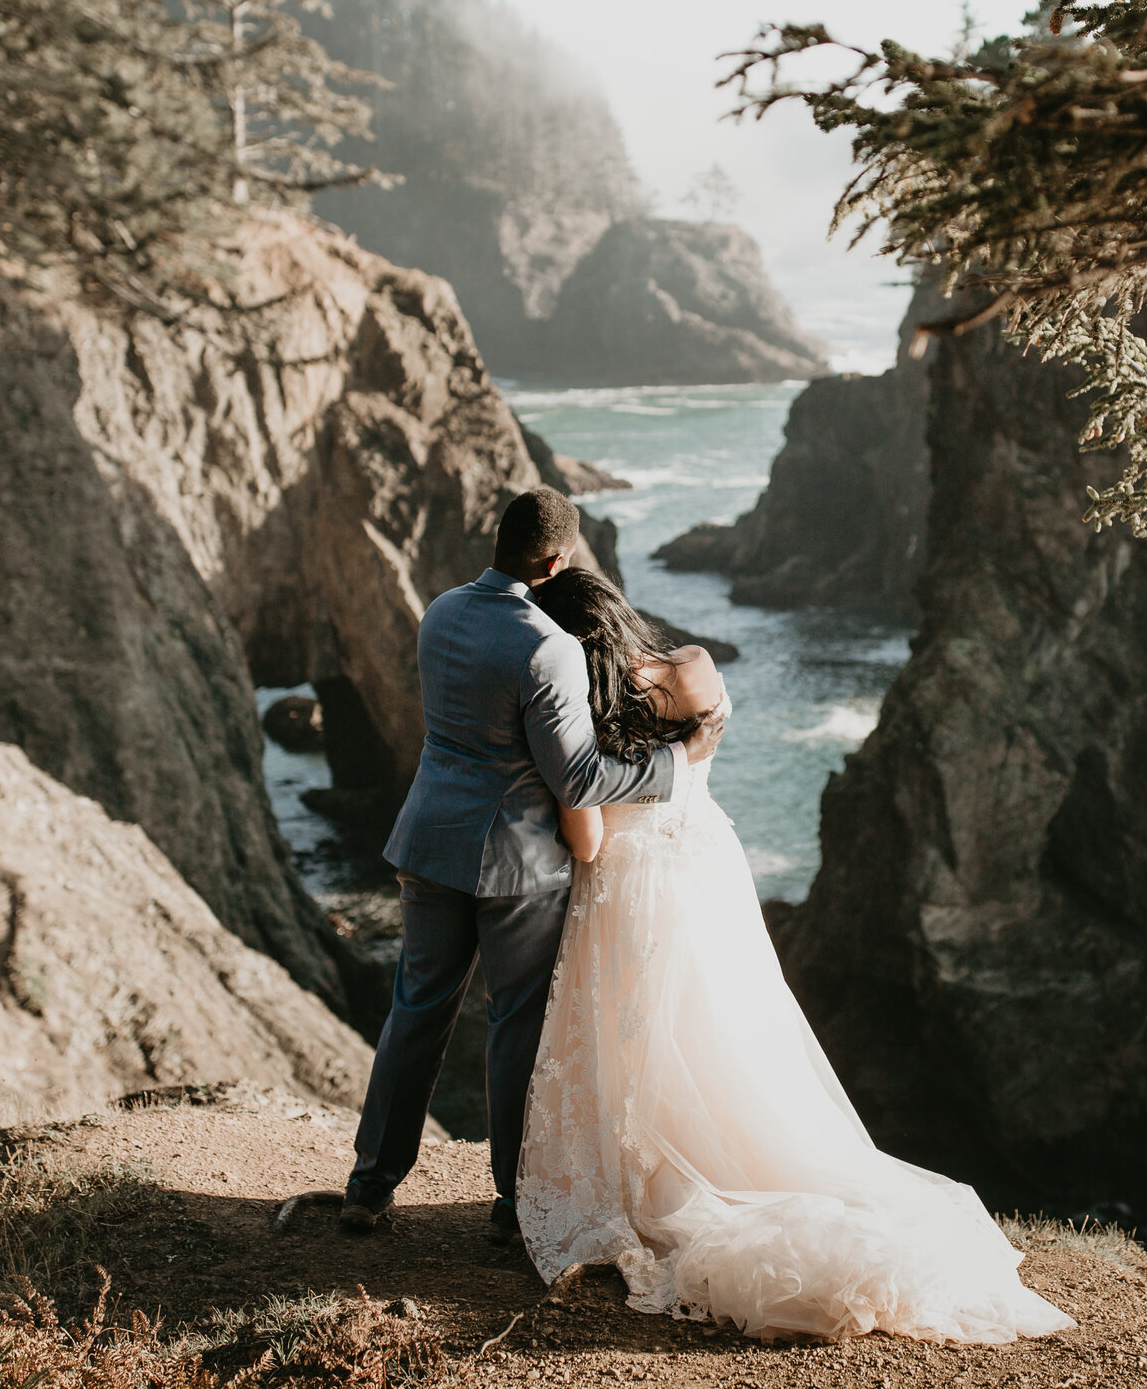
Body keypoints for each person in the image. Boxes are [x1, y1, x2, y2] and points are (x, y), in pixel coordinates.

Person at [515, 568, 1074, 1344]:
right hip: (706, 870)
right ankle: (740, 1159)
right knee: (728, 1030)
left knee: (634, 1042)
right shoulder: (692, 669)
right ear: (617, 611)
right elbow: (704, 745)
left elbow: (587, 837)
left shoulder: (582, 714)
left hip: (626, 889)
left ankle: (651, 1178)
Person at [339, 489, 721, 1243]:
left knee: (415, 1011)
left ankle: (369, 1183)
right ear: (555, 561)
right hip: (515, 867)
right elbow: (578, 778)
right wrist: (676, 760)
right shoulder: (548, 649)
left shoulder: (442, 610)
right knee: (514, 1027)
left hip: (426, 843)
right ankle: (514, 1204)